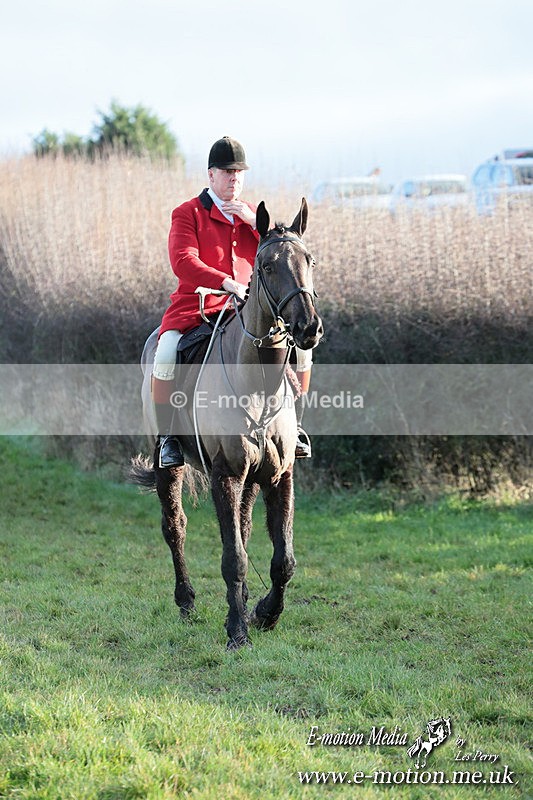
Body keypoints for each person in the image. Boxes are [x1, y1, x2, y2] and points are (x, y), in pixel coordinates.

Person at [152, 136, 313, 467]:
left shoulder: (254, 215)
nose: (234, 178)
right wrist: (225, 282)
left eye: (239, 172)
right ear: (211, 176)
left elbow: (279, 256)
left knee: (303, 350)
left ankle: (294, 428)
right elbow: (182, 261)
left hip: (248, 312)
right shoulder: (187, 213)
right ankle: (167, 437)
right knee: (166, 352)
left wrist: (256, 224)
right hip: (198, 310)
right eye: (227, 172)